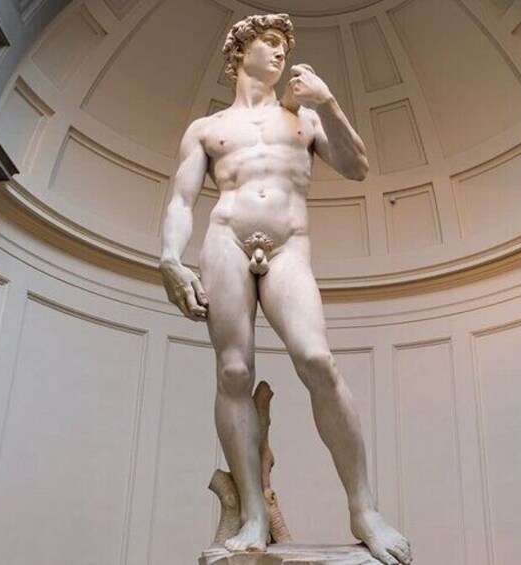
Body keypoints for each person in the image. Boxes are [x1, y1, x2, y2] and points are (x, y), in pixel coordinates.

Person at [158, 14, 412, 565]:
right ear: (239, 52)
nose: (280, 54)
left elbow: (357, 167)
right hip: (225, 240)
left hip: (288, 247)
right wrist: (170, 259)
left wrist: (330, 103)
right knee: (233, 372)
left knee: (317, 360)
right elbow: (181, 200)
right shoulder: (207, 128)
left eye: (283, 47)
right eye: (269, 43)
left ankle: (364, 510)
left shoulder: (304, 119)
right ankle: (254, 513)